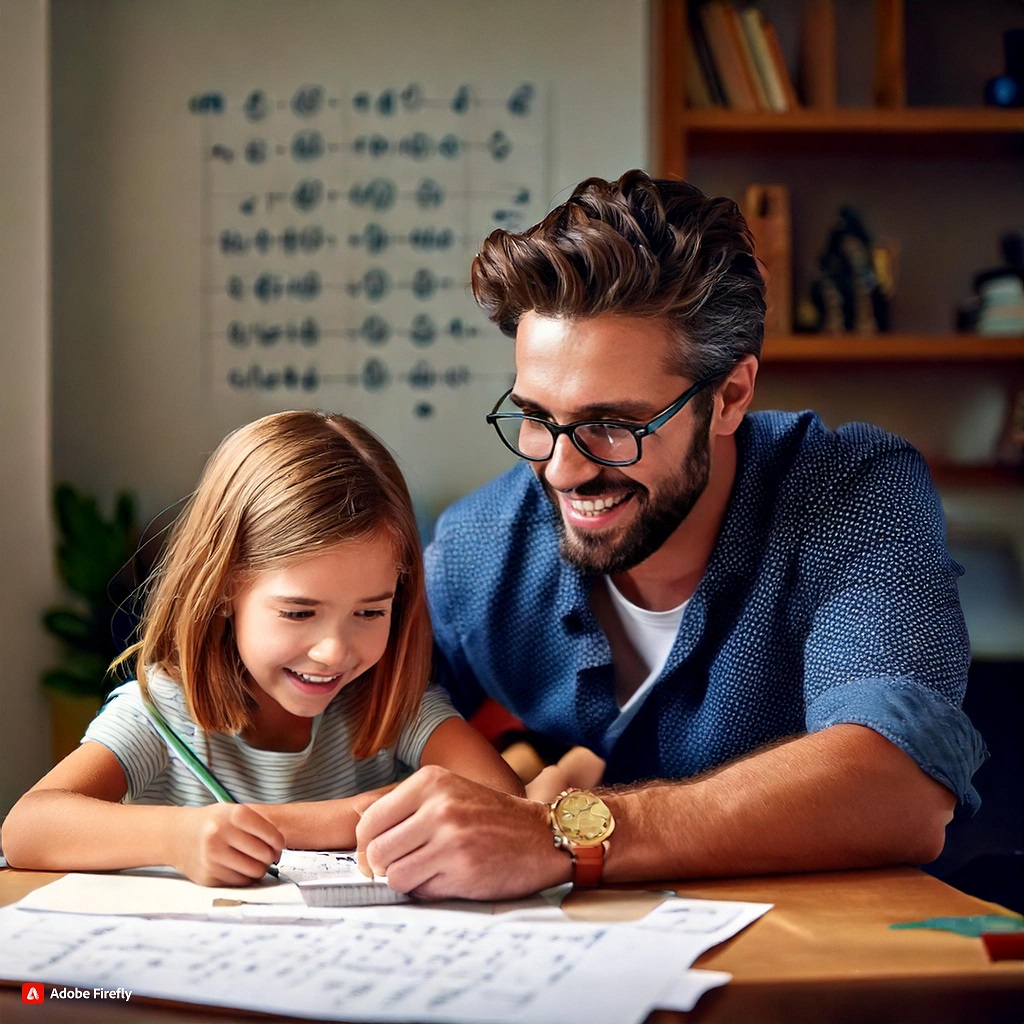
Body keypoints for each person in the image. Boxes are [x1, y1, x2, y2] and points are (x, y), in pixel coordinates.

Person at [354, 169, 987, 900]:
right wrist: (489, 774)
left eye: (612, 426)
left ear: (730, 396)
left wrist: (563, 833)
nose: (562, 470)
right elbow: (358, 688)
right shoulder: (481, 545)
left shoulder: (852, 493)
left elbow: (899, 786)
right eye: (536, 417)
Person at [2, 411, 522, 886]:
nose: (333, 652)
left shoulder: (391, 702)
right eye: (299, 612)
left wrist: (309, 821)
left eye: (370, 612)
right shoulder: (161, 712)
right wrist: (177, 837)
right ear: (226, 587)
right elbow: (27, 828)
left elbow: (506, 804)